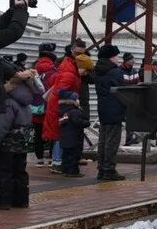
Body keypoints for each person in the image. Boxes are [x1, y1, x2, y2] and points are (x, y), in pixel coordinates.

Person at [0, 69, 41, 209]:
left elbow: (3, 126)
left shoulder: (9, 102)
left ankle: (4, 201)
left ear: (13, 86)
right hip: (22, 142)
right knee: (20, 171)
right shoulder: (27, 103)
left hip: (7, 143)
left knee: (5, 172)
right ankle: (21, 200)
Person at [44, 41, 83, 174]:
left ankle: (57, 161)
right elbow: (61, 90)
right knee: (60, 135)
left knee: (59, 135)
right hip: (60, 106)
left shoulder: (67, 65)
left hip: (57, 105)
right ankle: (57, 162)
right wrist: (73, 96)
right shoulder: (70, 71)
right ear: (72, 51)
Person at [94, 45, 126, 181]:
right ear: (111, 57)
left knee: (103, 140)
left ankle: (101, 169)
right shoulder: (115, 72)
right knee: (112, 141)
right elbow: (122, 89)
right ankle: (109, 170)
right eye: (116, 55)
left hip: (103, 108)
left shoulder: (98, 71)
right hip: (115, 109)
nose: (118, 58)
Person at [32, 43, 56, 166]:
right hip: (50, 105)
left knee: (38, 133)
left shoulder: (32, 67)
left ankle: (39, 159)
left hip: (35, 105)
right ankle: (52, 158)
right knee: (52, 132)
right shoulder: (53, 69)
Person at [57, 90, 90, 177]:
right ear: (73, 101)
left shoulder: (62, 112)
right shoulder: (74, 111)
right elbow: (78, 122)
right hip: (74, 139)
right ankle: (73, 172)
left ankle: (65, 170)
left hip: (64, 139)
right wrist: (86, 122)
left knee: (66, 156)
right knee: (74, 157)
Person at [119, 53, 140, 146]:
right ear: (126, 60)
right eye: (131, 59)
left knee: (130, 120)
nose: (133, 61)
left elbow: (137, 82)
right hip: (122, 99)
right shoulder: (119, 71)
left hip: (132, 99)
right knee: (121, 120)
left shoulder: (134, 71)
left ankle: (129, 139)